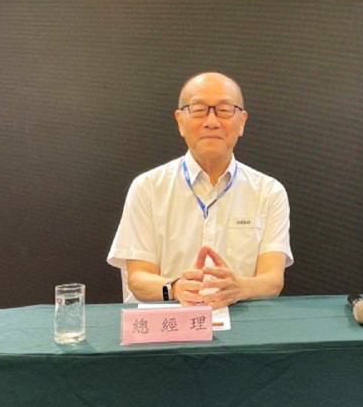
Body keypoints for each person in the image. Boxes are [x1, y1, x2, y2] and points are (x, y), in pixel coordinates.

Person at [107, 72, 293, 307]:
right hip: (169, 321)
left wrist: (238, 288)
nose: (212, 122)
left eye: (224, 110)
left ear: (242, 122)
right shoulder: (147, 188)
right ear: (180, 122)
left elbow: (273, 280)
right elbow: (138, 278)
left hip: (241, 320)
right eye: (198, 110)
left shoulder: (269, 192)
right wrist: (175, 288)